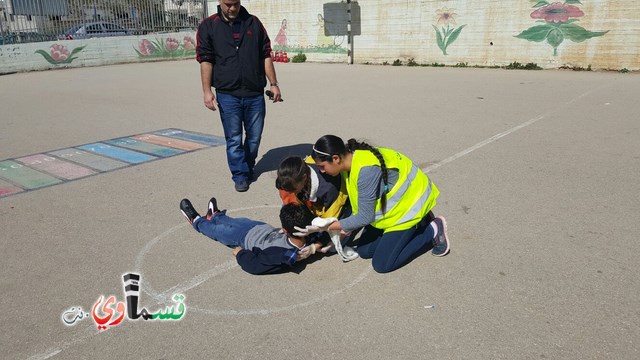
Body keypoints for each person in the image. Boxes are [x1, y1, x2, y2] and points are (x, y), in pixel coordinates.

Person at [296, 135, 450, 274]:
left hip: (408, 208)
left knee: (382, 264)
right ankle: (413, 227)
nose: (321, 171)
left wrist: (327, 226)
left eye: (322, 166)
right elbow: (358, 207)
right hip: (389, 212)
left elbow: (364, 216)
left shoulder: (366, 172)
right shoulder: (348, 163)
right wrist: (340, 234)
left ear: (336, 158)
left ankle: (433, 229)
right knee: (364, 251)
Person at [196, 0, 282, 192]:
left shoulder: (254, 23)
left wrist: (274, 84)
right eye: (227, 4)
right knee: (234, 138)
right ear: (220, 2)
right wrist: (207, 91)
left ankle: (248, 166)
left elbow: (265, 55)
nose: (232, 8)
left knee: (254, 138)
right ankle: (240, 174)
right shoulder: (209, 26)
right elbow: (205, 60)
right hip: (228, 94)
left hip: (254, 94)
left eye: (235, 3)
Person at [179, 197, 328, 275]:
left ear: (285, 230)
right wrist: (316, 246)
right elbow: (324, 236)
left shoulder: (283, 255)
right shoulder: (309, 236)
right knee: (232, 221)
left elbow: (256, 266)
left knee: (217, 231)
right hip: (257, 227)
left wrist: (241, 254)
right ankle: (215, 215)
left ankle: (197, 220)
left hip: (243, 239)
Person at [275, 155, 349, 219]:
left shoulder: (327, 190)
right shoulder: (297, 171)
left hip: (343, 207)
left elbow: (330, 218)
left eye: (293, 189)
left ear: (304, 177)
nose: (290, 193)